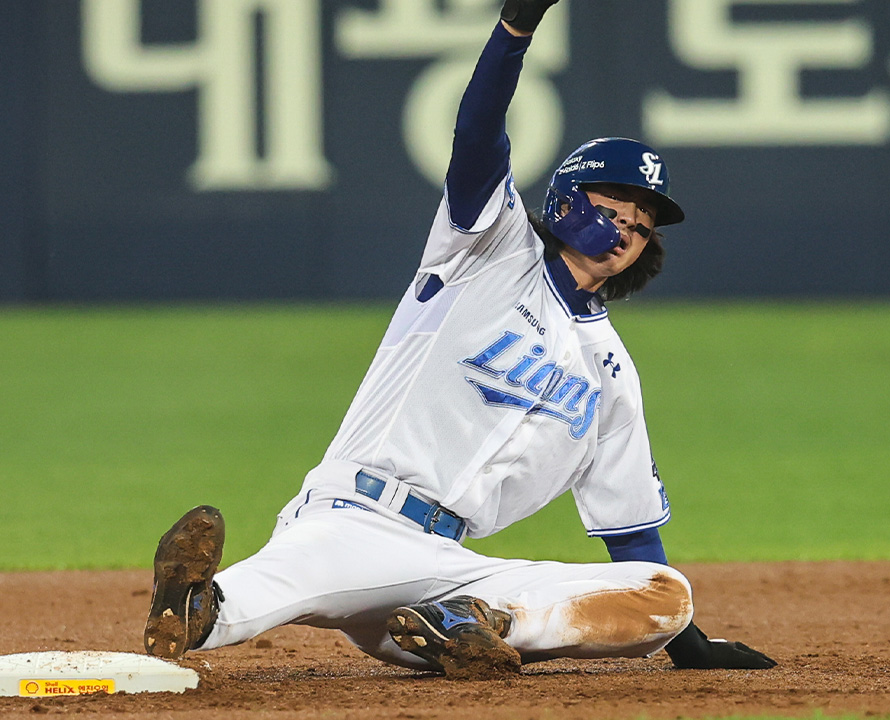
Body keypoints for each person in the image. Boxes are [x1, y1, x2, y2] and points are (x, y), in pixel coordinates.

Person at [142, 0, 776, 679]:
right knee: (255, 594)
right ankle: (198, 607)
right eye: (614, 207)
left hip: (448, 571)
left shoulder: (611, 371)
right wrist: (514, 31)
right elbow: (478, 133)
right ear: (566, 201)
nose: (627, 228)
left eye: (643, 223)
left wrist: (689, 646)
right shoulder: (488, 250)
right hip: (357, 519)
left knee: (665, 594)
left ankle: (474, 624)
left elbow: (631, 527)